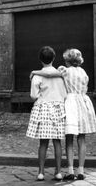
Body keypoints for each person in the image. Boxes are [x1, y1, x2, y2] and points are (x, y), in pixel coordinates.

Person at [30, 48, 96, 180]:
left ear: (67, 60)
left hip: (71, 103)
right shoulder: (83, 72)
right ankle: (81, 170)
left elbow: (49, 74)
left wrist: (34, 72)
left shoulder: (64, 71)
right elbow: (85, 87)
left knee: (69, 138)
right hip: (83, 102)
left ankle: (70, 170)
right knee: (82, 138)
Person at [26, 46, 67, 181]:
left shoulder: (37, 76)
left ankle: (41, 172)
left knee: (43, 143)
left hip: (43, 108)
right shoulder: (61, 75)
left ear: (40, 59)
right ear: (54, 58)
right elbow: (65, 94)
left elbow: (33, 96)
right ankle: (58, 172)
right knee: (57, 142)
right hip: (58, 109)